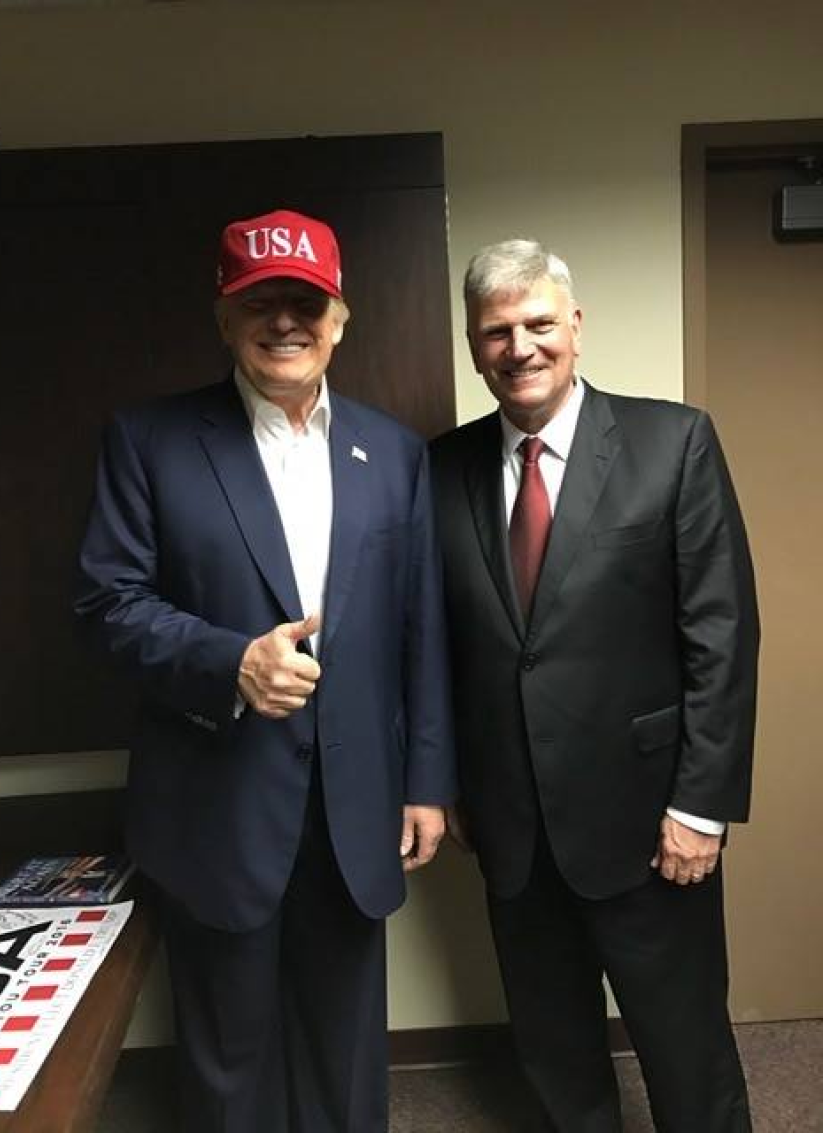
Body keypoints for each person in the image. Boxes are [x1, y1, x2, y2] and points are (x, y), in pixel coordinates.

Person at [75, 208, 455, 1133]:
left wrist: (427, 782)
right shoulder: (150, 440)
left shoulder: (394, 451)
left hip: (356, 804)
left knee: (344, 1048)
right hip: (216, 798)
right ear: (223, 317)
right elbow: (105, 603)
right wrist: (228, 661)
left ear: (339, 316)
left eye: (304, 299)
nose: (284, 320)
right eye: (259, 301)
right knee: (227, 1059)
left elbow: (422, 630)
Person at [430, 239, 759, 1132]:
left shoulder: (672, 440)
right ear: (473, 344)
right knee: (555, 1051)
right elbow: (440, 645)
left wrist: (701, 806)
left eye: (538, 323)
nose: (520, 347)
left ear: (575, 326)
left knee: (687, 1048)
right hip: (513, 827)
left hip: (651, 821)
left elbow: (722, 635)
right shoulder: (441, 468)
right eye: (496, 331)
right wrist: (446, 782)